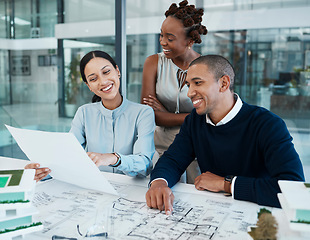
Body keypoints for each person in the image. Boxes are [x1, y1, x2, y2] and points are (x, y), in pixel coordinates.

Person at [145, 54, 305, 214]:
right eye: (188, 85)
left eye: (198, 83)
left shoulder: (267, 124)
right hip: (215, 212)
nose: (190, 93)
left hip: (259, 216)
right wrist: (159, 182)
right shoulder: (195, 120)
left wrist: (226, 184)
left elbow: (293, 188)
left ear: (223, 83)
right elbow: (173, 159)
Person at [26, 50, 155, 181]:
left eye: (106, 72)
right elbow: (68, 155)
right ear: (89, 86)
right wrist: (43, 171)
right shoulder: (84, 113)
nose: (103, 81)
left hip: (132, 190)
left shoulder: (143, 113)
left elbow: (144, 165)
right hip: (94, 187)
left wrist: (112, 158)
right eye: (93, 79)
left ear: (117, 71)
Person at [141, 0, 207, 183]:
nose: (163, 42)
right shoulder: (153, 62)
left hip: (197, 147)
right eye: (161, 35)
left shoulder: (206, 68)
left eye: (170, 38)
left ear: (190, 41)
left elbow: (209, 116)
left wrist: (166, 112)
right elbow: (149, 115)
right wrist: (193, 116)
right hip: (161, 147)